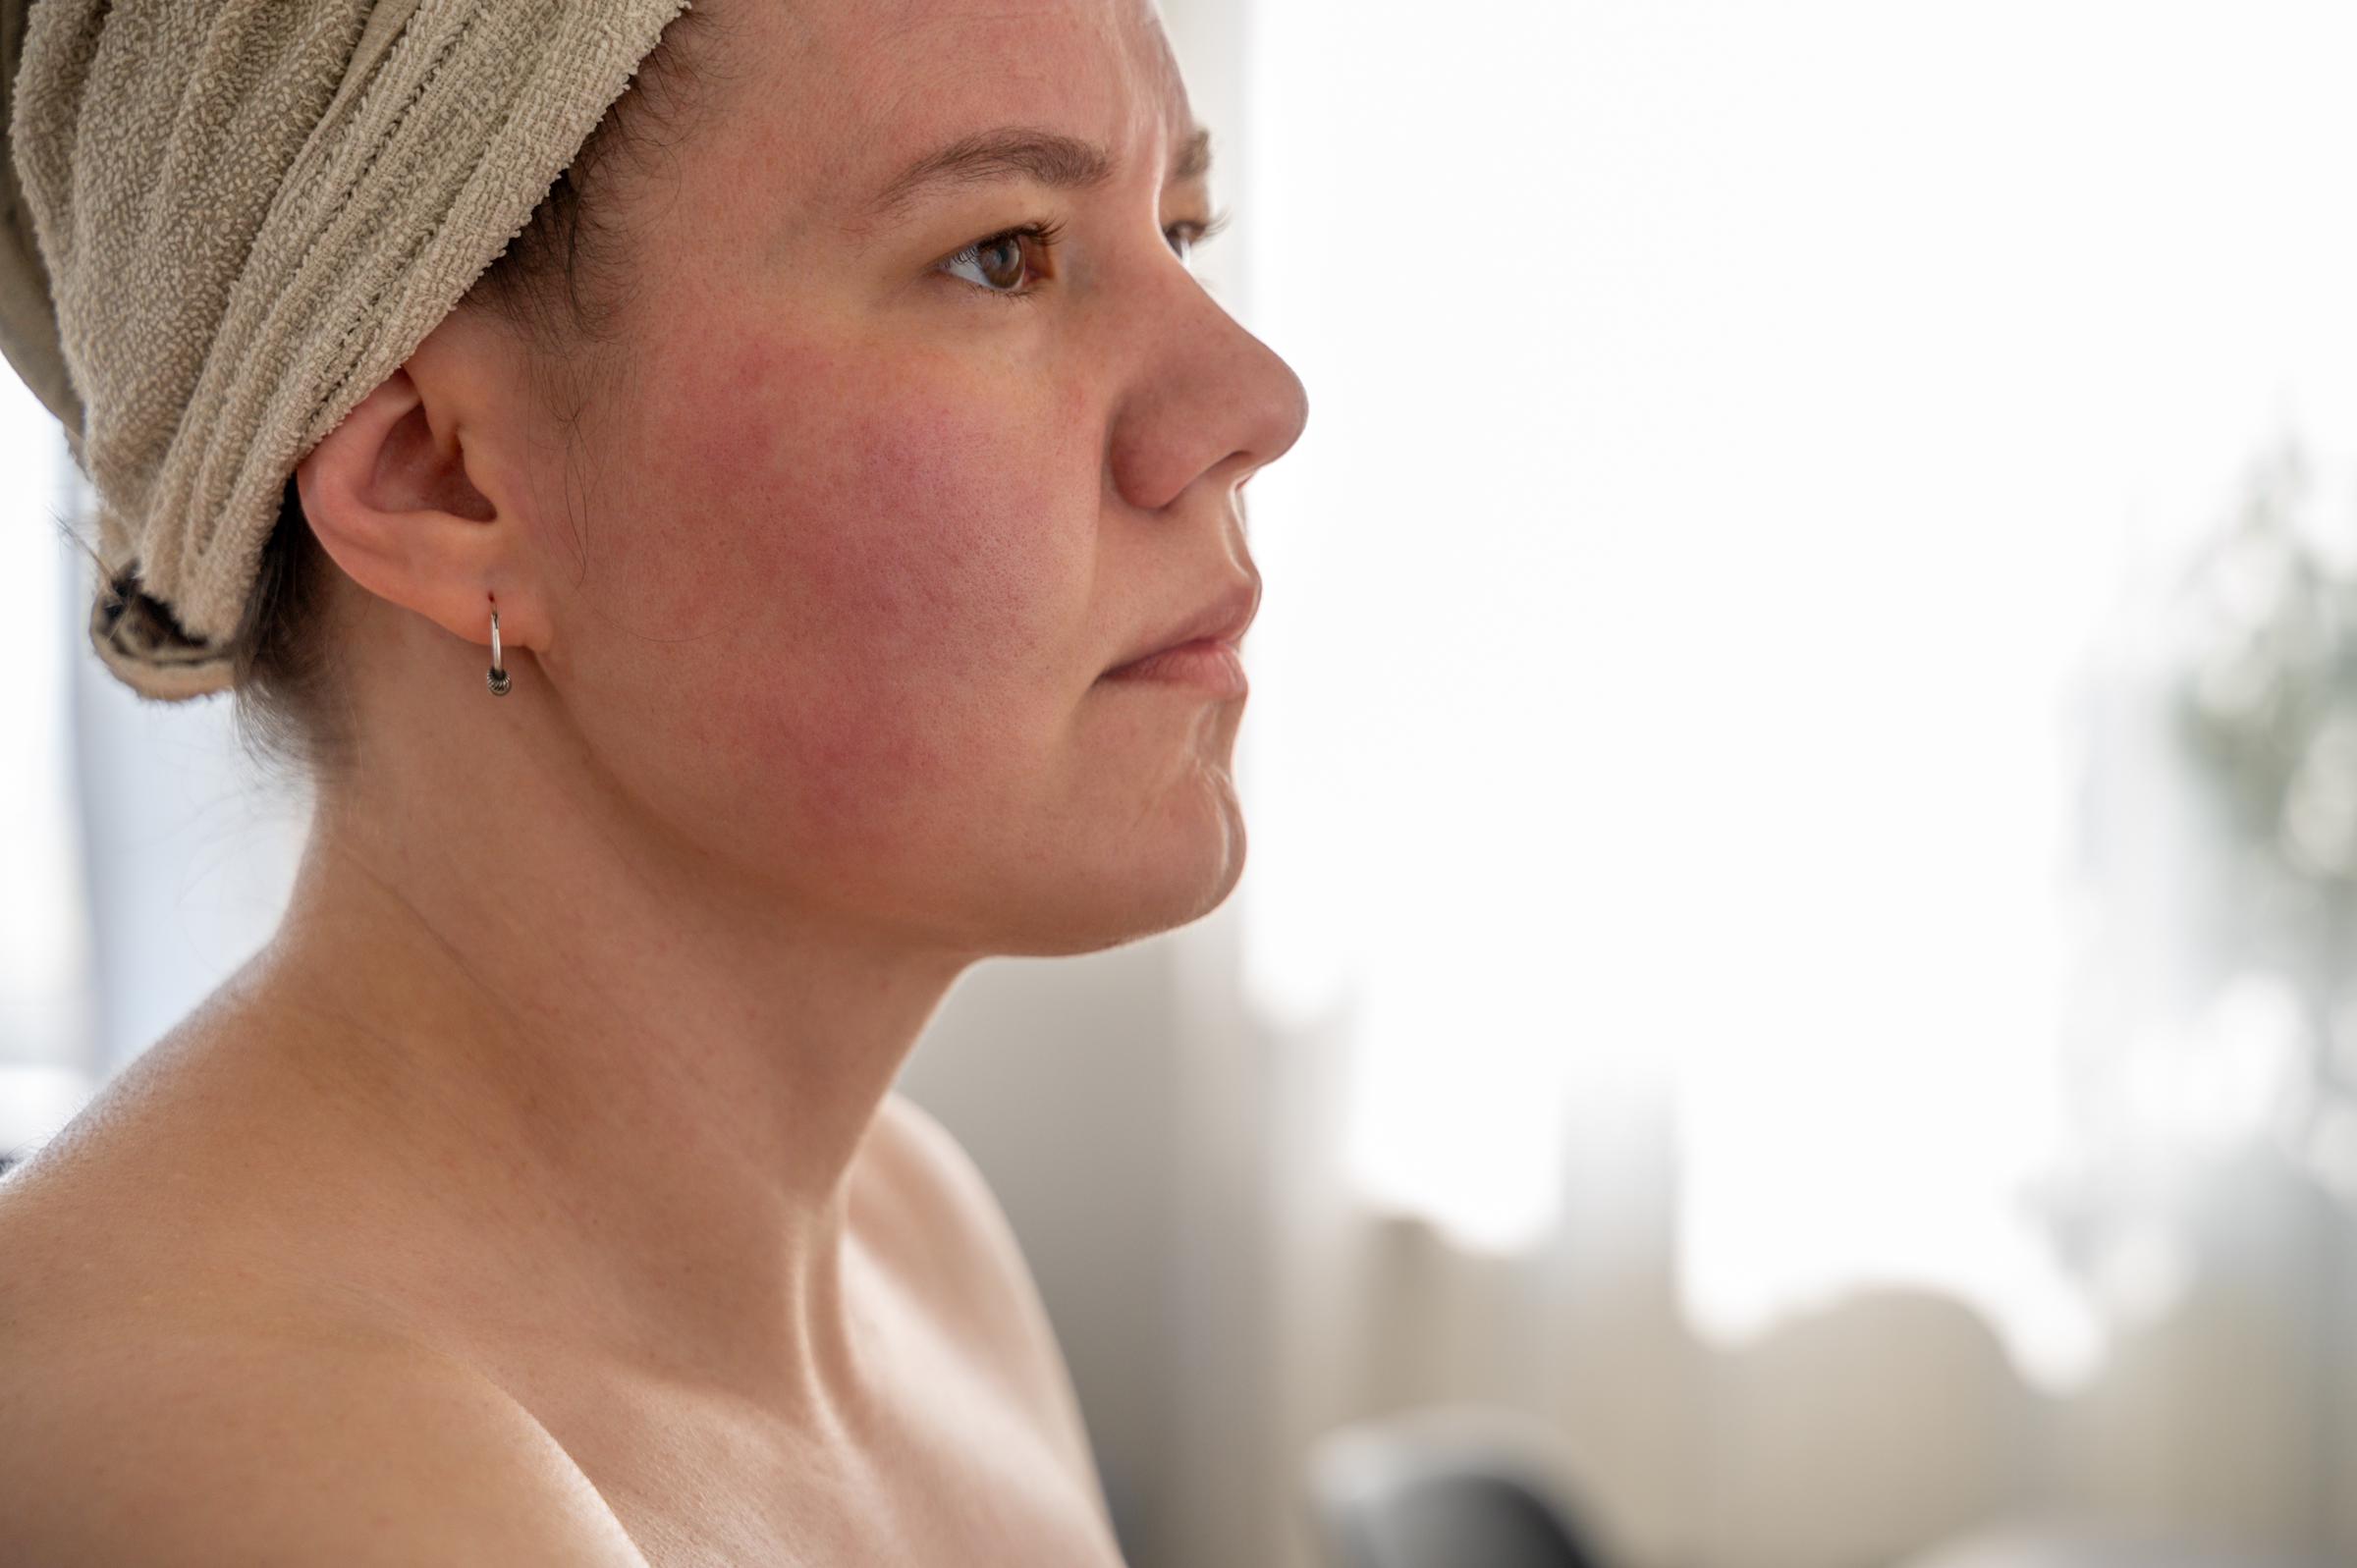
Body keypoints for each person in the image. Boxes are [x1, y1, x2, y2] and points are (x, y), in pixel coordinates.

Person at [0, 0, 1308, 1560]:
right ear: (444, 474)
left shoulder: (913, 1240)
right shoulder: (287, 1469)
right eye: (1002, 253)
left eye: (1181, 225)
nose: (1253, 401)